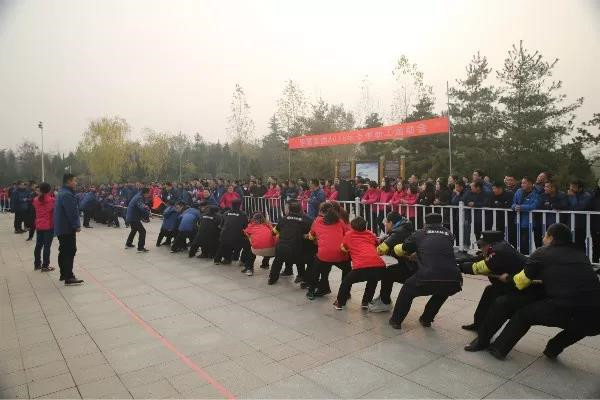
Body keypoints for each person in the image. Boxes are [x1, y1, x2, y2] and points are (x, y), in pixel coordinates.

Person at [487, 223, 600, 360]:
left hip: (564, 307)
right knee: (582, 326)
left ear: (551, 238)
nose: (543, 238)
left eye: (545, 235)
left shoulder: (542, 252)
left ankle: (498, 349)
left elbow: (521, 282)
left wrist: (508, 278)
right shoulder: (581, 255)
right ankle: (553, 349)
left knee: (524, 315)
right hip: (596, 315)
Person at [389, 213, 462, 330]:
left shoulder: (419, 233)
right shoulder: (449, 234)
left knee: (407, 289)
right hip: (454, 278)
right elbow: (437, 249)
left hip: (428, 275)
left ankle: (396, 321)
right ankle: (427, 319)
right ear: (441, 223)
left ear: (425, 223)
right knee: (443, 289)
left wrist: (396, 249)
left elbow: (404, 248)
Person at [459, 231, 528, 348]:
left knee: (498, 305)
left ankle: (483, 338)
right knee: (489, 291)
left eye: (482, 245)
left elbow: (479, 267)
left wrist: (460, 268)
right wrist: (456, 261)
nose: (480, 248)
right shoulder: (498, 247)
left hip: (519, 287)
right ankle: (478, 324)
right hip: (509, 283)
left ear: (490, 245)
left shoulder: (499, 251)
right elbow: (478, 259)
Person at [334, 216, 386, 310]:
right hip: (379, 266)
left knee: (346, 281)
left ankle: (340, 303)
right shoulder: (371, 234)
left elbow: (344, 248)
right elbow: (376, 244)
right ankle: (366, 302)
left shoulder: (349, 235)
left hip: (361, 266)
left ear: (352, 227)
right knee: (372, 280)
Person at [368, 211, 416, 312]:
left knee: (386, 271)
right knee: (387, 268)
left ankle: (385, 301)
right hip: (409, 264)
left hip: (410, 269)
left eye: (386, 222)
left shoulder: (399, 232)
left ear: (391, 222)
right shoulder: (404, 227)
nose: (385, 225)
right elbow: (389, 240)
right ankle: (383, 297)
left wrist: (369, 251)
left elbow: (381, 249)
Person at [305, 203, 350, 299]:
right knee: (347, 269)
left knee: (315, 268)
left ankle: (311, 291)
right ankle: (345, 292)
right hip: (340, 254)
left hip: (324, 255)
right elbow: (347, 234)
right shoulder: (340, 221)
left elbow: (311, 236)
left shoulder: (317, 221)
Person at [268, 201, 312, 285]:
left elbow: (274, 232)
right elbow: (312, 233)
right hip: (298, 250)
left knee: (278, 259)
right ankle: (302, 276)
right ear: (301, 209)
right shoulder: (308, 220)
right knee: (300, 248)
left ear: (290, 209)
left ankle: (272, 279)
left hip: (282, 249)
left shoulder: (283, 219)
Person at [54, 174, 83, 285]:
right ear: (68, 182)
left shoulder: (62, 192)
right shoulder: (67, 194)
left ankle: (64, 274)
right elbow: (71, 212)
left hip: (61, 227)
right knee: (70, 251)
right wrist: (76, 225)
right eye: (74, 181)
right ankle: (68, 276)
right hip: (66, 227)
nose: (76, 183)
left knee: (63, 250)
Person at [511, 176, 540, 254]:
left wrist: (521, 207)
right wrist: (515, 207)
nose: (522, 185)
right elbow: (513, 204)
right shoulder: (518, 191)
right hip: (517, 221)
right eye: (522, 183)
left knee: (525, 243)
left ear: (530, 184)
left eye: (524, 183)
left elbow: (534, 206)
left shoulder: (536, 193)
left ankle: (525, 257)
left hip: (528, 222)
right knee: (516, 241)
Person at [214, 199, 248, 265]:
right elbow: (246, 227)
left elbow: (221, 225)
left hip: (224, 236)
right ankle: (237, 258)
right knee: (243, 241)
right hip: (237, 237)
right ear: (240, 205)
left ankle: (221, 259)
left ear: (231, 205)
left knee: (224, 243)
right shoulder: (243, 214)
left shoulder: (225, 213)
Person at [242, 212, 276, 276]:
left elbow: (245, 232)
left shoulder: (251, 225)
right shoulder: (268, 225)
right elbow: (274, 233)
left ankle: (249, 269)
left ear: (254, 219)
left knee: (251, 251)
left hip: (258, 250)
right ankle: (265, 264)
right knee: (267, 243)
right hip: (272, 251)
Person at [32, 182, 55, 272]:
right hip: (48, 226)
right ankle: (45, 266)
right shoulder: (51, 200)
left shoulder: (35, 200)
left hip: (39, 225)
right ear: (49, 190)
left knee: (38, 245)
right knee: (47, 246)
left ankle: (37, 264)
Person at [567, 179, 593, 252]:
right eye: (570, 186)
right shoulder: (569, 195)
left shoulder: (586, 196)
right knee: (569, 244)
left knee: (579, 245)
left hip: (580, 225)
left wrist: (573, 196)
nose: (571, 189)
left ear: (580, 188)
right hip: (570, 223)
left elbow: (578, 208)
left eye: (573, 187)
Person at [125, 187, 151, 252]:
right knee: (142, 231)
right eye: (148, 193)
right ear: (145, 193)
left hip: (131, 216)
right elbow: (142, 207)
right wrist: (148, 213)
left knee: (134, 229)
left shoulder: (139, 195)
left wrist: (146, 210)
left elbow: (141, 207)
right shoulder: (139, 198)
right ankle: (140, 248)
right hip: (133, 217)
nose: (149, 195)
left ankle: (128, 243)